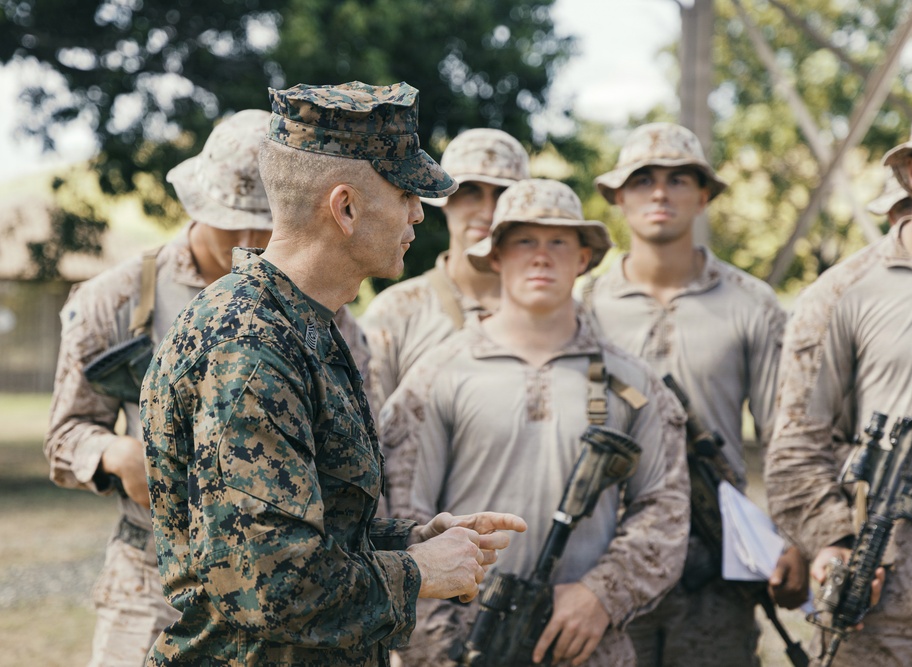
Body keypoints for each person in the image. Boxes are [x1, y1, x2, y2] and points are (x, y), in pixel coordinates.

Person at [141, 81, 526, 666]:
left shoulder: (304, 326)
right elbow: (269, 585)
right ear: (345, 208)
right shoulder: (249, 346)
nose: (418, 213)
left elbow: (309, 527)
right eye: (405, 193)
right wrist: (418, 571)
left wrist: (411, 540)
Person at [380, 178, 690, 666]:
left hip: (587, 646)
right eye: (525, 241)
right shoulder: (438, 373)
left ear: (583, 258)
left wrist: (601, 595)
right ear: (497, 257)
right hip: (464, 642)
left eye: (558, 242)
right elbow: (402, 510)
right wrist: (437, 645)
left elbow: (665, 507)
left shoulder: (633, 381)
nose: (541, 257)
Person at [765, 96, 912, 666]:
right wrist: (833, 544)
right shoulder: (841, 292)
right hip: (875, 566)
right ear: (911, 173)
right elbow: (795, 448)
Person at [43, 109, 279, 667]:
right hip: (152, 580)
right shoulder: (115, 299)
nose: (248, 241)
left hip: (274, 583)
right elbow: (64, 436)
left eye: (265, 223)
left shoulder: (314, 304)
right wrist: (115, 452)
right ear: (198, 204)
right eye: (231, 222)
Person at [581, 121, 808, 666]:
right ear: (618, 197)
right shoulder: (582, 307)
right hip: (608, 556)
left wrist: (796, 539)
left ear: (704, 195)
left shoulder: (752, 303)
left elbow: (786, 434)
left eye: (679, 179)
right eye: (643, 180)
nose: (660, 193)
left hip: (717, 555)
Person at [361, 127, 529, 420]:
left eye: (502, 194)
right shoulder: (396, 312)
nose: (488, 211)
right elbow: (370, 430)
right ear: (445, 200)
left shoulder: (548, 310)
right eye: (471, 192)